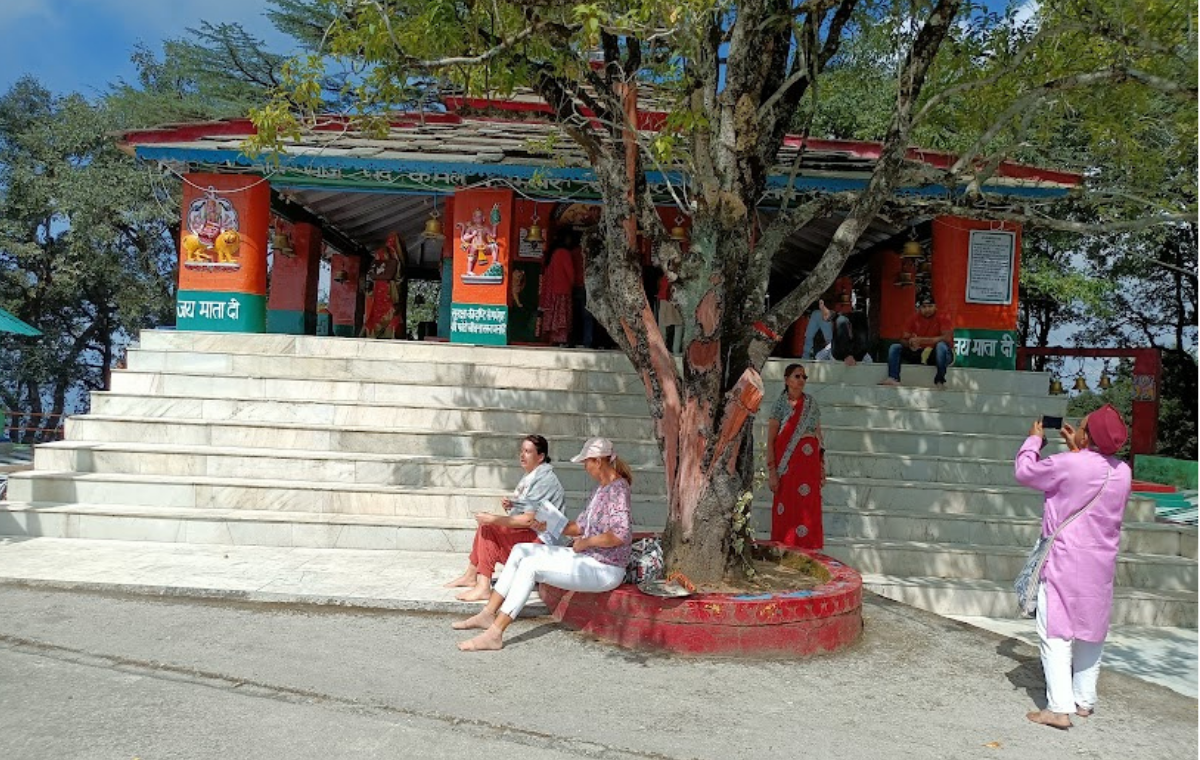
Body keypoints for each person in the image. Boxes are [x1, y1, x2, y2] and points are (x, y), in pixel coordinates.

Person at [1014, 405, 1133, 730]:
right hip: (1100, 563)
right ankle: (1084, 699)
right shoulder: (1123, 471)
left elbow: (1025, 472)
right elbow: (1092, 473)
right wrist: (1080, 451)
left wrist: (1034, 441)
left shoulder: (1069, 464)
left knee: (1055, 629)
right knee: (1091, 630)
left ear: (1087, 435)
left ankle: (1058, 708)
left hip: (1065, 560)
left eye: (1081, 426)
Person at [453, 437, 633, 651]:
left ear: (598, 461)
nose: (585, 467)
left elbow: (620, 534)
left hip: (605, 568)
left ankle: (495, 634)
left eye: (586, 462)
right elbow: (579, 527)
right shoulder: (600, 490)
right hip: (588, 559)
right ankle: (488, 614)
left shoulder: (618, 489)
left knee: (531, 566)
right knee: (521, 550)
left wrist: (586, 543)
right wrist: (547, 524)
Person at [444, 435, 565, 601]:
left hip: (542, 542)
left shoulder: (544, 479)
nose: (522, 455)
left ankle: (483, 586)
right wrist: (513, 505)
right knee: (487, 524)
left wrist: (493, 519)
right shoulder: (534, 475)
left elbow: (528, 520)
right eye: (522, 451)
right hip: (533, 533)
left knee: (489, 526)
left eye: (528, 451)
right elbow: (531, 509)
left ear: (541, 456)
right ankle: (471, 575)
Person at [767, 363, 825, 549]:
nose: (801, 380)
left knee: (807, 508)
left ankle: (808, 552)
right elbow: (771, 440)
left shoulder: (811, 404)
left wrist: (822, 466)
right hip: (787, 468)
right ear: (786, 380)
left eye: (804, 377)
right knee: (787, 507)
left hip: (808, 467)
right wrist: (772, 471)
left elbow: (819, 435)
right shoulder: (779, 405)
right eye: (797, 376)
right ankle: (784, 548)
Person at [879, 290, 954, 389]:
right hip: (920, 353)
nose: (927, 309)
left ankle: (940, 380)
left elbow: (946, 338)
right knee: (895, 347)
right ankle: (893, 377)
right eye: (924, 307)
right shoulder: (913, 318)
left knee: (941, 346)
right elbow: (902, 339)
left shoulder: (943, 317)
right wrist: (910, 343)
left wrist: (921, 340)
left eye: (930, 306)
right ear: (919, 308)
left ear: (935, 306)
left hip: (940, 354)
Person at [539, 232, 576, 346]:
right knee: (561, 315)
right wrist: (574, 283)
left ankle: (553, 339)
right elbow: (570, 272)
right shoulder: (564, 253)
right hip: (563, 289)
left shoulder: (552, 254)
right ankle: (561, 339)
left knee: (553, 314)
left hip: (551, 290)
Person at [814, 299, 871, 365]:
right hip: (840, 354)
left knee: (857, 318)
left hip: (854, 355)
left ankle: (833, 316)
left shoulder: (859, 346)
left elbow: (818, 357)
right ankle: (834, 316)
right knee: (842, 321)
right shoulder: (834, 345)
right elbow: (818, 358)